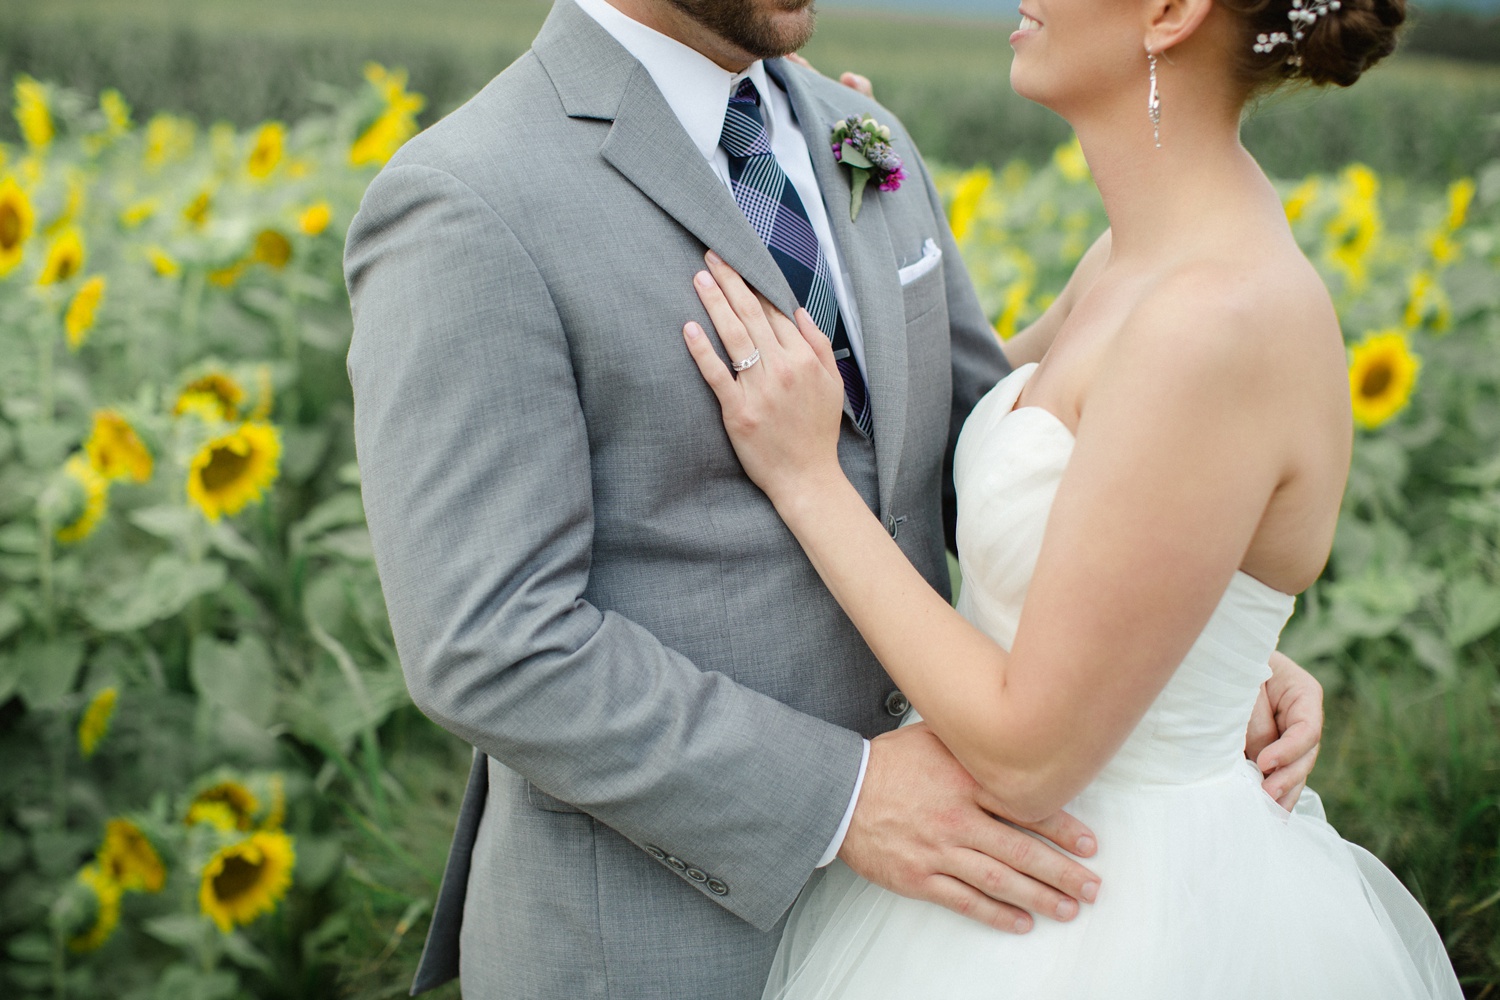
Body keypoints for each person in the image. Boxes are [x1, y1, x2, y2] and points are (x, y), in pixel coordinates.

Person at [342, 0, 1327, 996]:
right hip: (659, 942)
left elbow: (984, 448)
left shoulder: (862, 137)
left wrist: (1171, 620)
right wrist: (843, 799)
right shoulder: (465, 198)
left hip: (954, 930)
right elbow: (488, 639)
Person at [677, 0, 1465, 996]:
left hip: (1108, 905)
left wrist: (805, 479)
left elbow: (1027, 756)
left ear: (1172, 13)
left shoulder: (1213, 319)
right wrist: (850, 232)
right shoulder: (1134, 258)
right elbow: (991, 453)